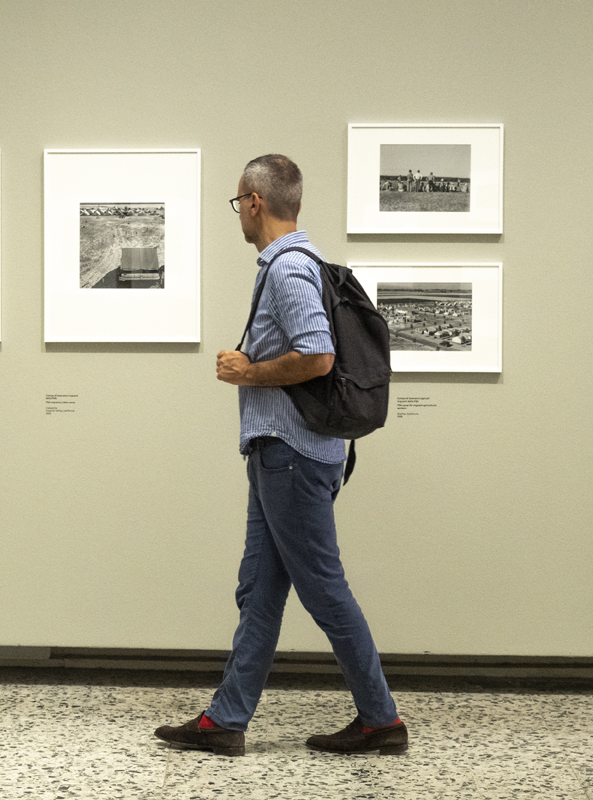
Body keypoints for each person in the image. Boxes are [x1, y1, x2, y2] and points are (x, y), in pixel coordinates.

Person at [153, 154, 407, 758]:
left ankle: (382, 720)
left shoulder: (289, 269)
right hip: (285, 455)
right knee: (260, 589)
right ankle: (227, 720)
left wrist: (247, 372)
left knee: (324, 589)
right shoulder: (303, 262)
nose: (238, 212)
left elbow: (317, 357)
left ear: (255, 201)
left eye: (238, 202)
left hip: (291, 457)